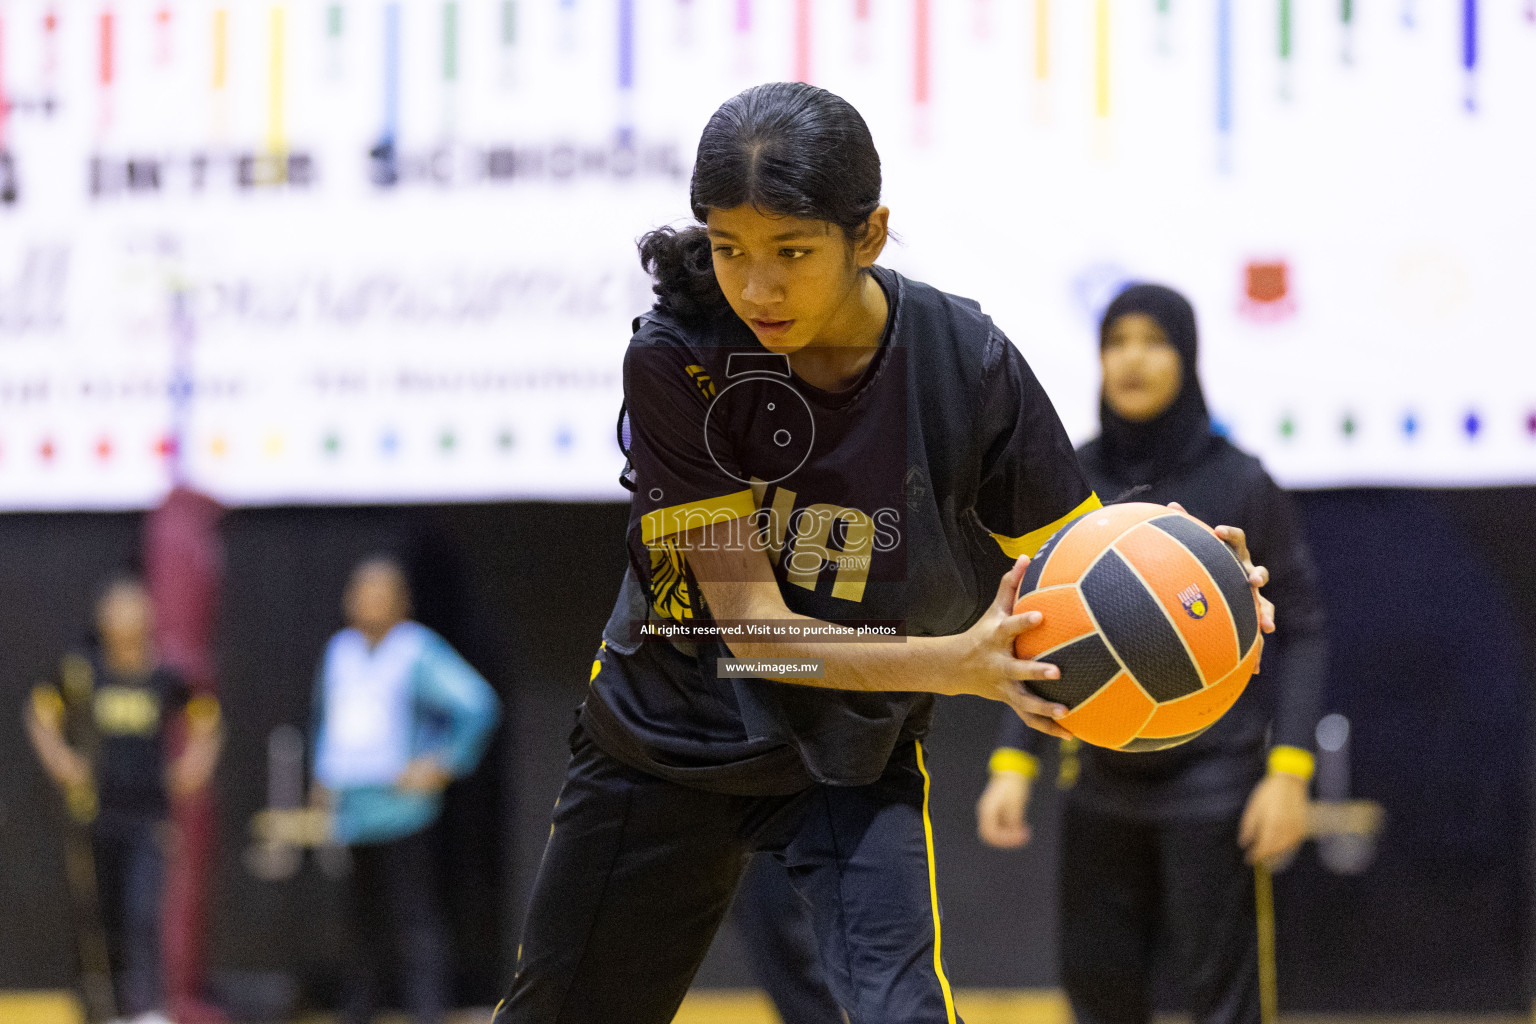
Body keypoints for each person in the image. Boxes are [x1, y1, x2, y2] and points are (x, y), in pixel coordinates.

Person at [498, 84, 1275, 1024]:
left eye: (791, 252)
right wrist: (955, 666)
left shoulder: (964, 356)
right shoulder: (681, 356)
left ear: (868, 235)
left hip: (848, 755)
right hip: (665, 743)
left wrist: (1188, 581)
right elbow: (755, 635)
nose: (757, 287)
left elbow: (1077, 554)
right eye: (731, 250)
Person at [975, 284, 1326, 1024]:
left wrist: (1290, 772)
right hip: (1098, 775)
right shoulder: (1068, 480)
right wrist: (1013, 763)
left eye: (1154, 341)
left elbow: (1302, 629)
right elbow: (1037, 626)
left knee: (1219, 998)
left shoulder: (1240, 480)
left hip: (1214, 781)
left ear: (1188, 357)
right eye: (1116, 342)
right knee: (1096, 986)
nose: (1132, 359)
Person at [25, 575, 224, 1024]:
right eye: (117, 608)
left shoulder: (166, 675)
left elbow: (206, 718)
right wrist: (61, 759)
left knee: (142, 913)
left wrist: (195, 765)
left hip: (150, 816)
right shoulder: (83, 671)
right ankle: (110, 1010)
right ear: (102, 617)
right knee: (103, 917)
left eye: (135, 607)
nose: (126, 617)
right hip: (95, 814)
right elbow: (39, 712)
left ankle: (149, 1009)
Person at [310, 557, 501, 1024]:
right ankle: (357, 1012)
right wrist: (320, 783)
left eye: (381, 593)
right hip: (353, 810)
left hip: (403, 811)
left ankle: (427, 1013)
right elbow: (324, 721)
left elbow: (477, 704)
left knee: (414, 922)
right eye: (362, 591)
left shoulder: (416, 650)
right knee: (360, 926)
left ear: (401, 602)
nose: (369, 602)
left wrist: (443, 762)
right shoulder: (340, 651)